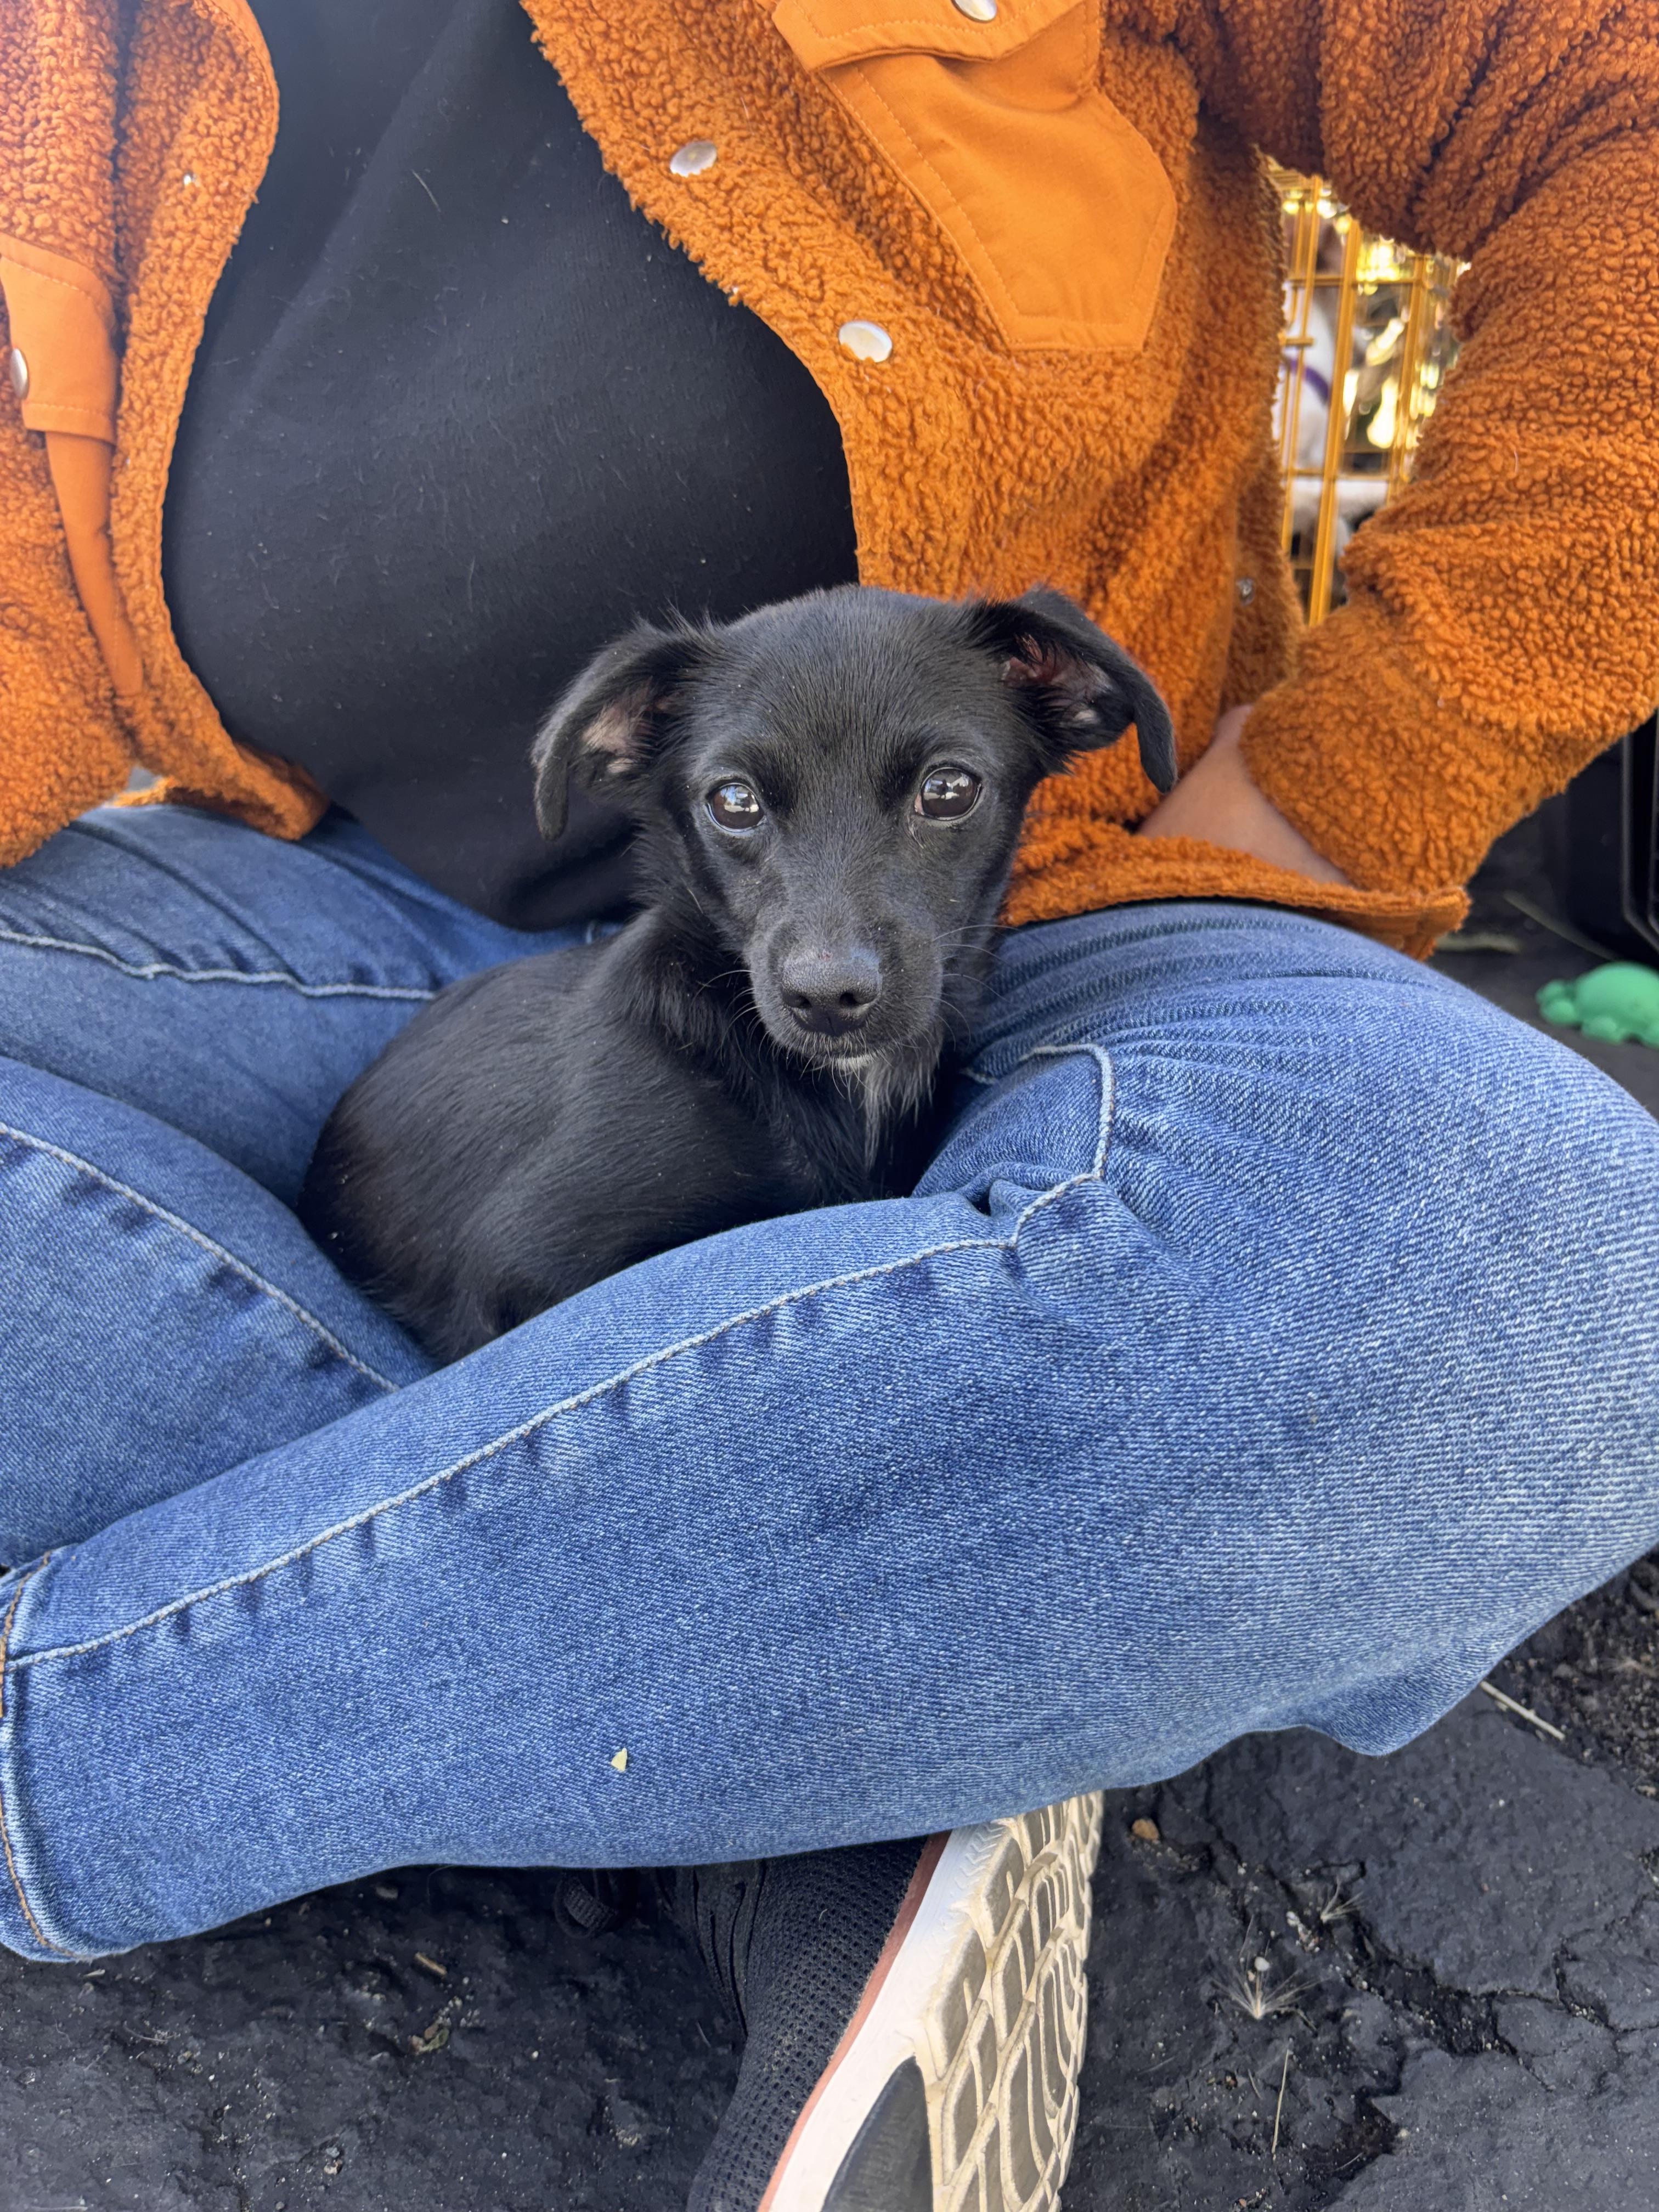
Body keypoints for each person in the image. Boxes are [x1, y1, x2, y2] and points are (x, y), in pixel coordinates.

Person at [1, 1, 1656, 2204]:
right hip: (277, 916)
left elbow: (1617, 110)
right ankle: (845, 1666)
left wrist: (1350, 779)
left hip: (1050, 940)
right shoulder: (78, 46)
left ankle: (135, 1741)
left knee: (1523, 1269)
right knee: (1052, 1426)